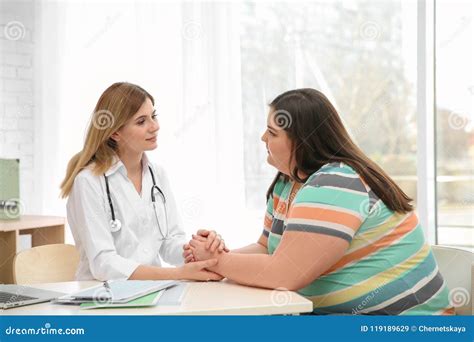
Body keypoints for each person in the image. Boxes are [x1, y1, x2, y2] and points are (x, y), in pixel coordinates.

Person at [184, 88, 455, 315]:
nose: (263, 138)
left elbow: (285, 274)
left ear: (302, 142)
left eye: (272, 133)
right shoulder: (288, 182)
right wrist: (210, 258)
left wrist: (217, 262)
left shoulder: (336, 182)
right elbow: (266, 248)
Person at [60, 82, 226, 281]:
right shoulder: (89, 182)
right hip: (103, 297)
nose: (154, 127)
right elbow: (103, 263)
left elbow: (169, 242)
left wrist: (197, 249)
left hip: (153, 290)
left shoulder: (157, 175)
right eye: (141, 121)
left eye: (153, 116)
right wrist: (176, 274)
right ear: (115, 133)